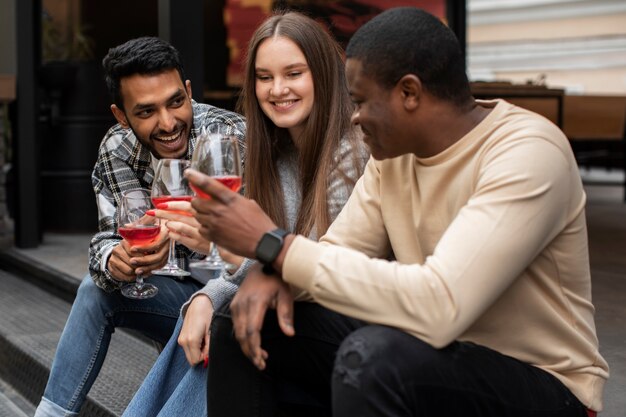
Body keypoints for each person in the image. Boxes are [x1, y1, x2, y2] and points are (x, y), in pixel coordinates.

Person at [186, 7, 609, 417]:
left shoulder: (527, 151)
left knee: (373, 360)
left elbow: (440, 303)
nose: (353, 117)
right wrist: (271, 272)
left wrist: (274, 246)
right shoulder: (392, 158)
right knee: (245, 317)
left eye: (361, 101)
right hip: (435, 354)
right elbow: (336, 251)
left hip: (543, 383)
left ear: (409, 93)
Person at [122, 11, 369, 417]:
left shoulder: (352, 154)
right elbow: (265, 262)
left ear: (322, 75)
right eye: (265, 77)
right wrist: (207, 294)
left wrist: (223, 247)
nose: (278, 89)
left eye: (293, 73)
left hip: (339, 328)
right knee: (204, 317)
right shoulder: (273, 155)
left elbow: (305, 268)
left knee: (228, 324)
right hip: (290, 314)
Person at [33, 36, 246, 417]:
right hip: (175, 298)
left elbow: (263, 247)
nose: (167, 123)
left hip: (235, 298)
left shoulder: (229, 138)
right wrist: (114, 258)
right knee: (95, 288)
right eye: (146, 112)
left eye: (176, 102)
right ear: (121, 115)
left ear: (188, 91)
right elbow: (109, 237)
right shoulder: (117, 148)